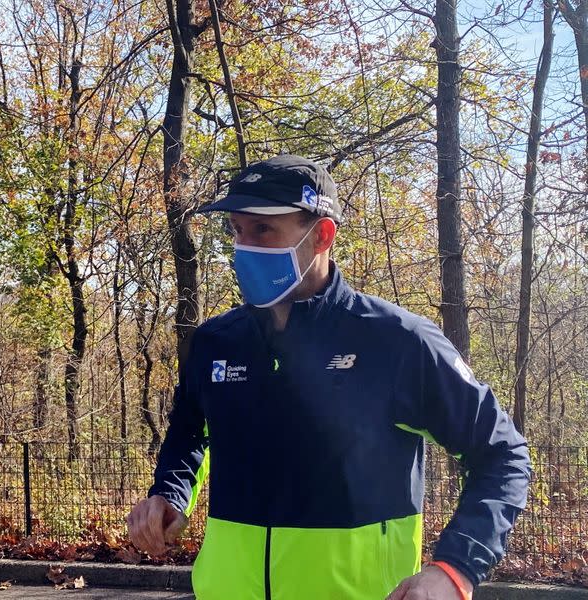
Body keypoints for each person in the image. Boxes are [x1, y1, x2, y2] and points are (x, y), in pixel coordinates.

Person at [127, 154, 531, 600]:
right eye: (238, 230)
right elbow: (189, 433)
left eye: (264, 230)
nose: (244, 248)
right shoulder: (215, 343)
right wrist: (170, 494)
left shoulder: (397, 341)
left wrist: (455, 568)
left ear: (321, 235)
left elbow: (502, 454)